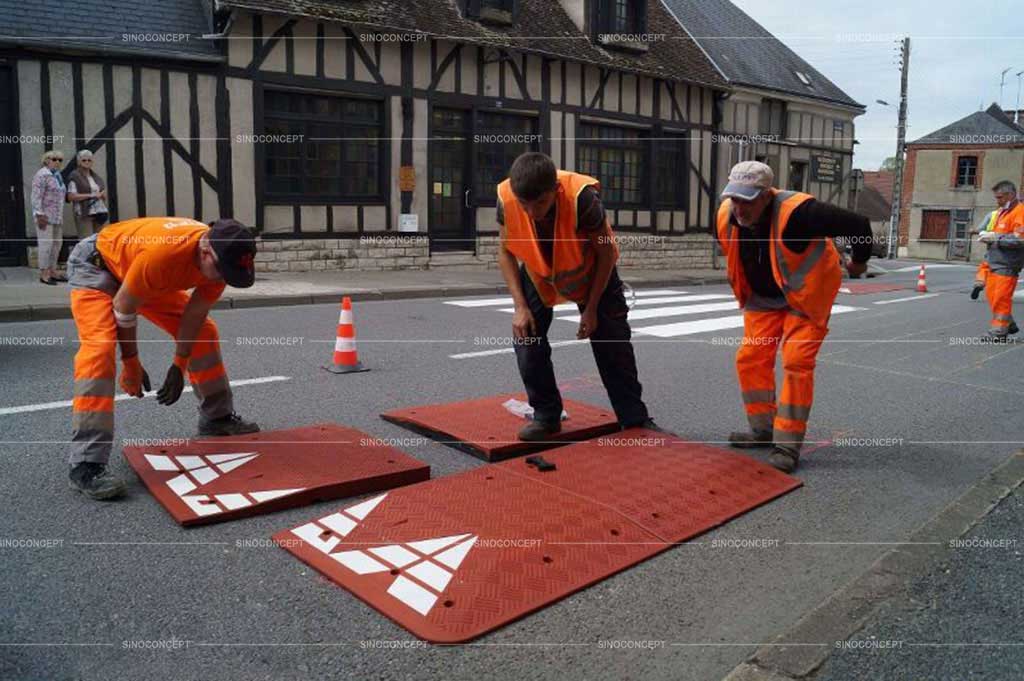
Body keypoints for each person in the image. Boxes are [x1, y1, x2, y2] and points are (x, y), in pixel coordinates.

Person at [66, 217, 261, 500]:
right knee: (99, 349)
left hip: (139, 271)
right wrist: (131, 364)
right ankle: (86, 463)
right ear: (205, 250)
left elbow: (194, 316)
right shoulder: (166, 255)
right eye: (221, 272)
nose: (221, 280)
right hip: (98, 265)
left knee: (205, 332)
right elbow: (124, 305)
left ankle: (217, 418)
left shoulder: (221, 262)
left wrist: (179, 364)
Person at [716, 161, 872, 473]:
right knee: (750, 357)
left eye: (747, 201)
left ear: (766, 196)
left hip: (805, 298)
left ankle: (787, 444)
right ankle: (762, 429)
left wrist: (858, 263)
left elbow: (860, 226)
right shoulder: (726, 215)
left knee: (795, 361)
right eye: (735, 198)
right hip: (764, 299)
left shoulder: (800, 213)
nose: (739, 208)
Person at [495, 152, 660, 441]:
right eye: (525, 205)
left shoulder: (582, 199)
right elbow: (505, 250)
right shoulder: (506, 197)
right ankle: (546, 416)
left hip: (593, 272)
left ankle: (634, 420)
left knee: (613, 343)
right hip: (540, 273)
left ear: (555, 191)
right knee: (526, 336)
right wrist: (519, 307)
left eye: (541, 203)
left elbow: (606, 252)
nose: (532, 212)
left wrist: (592, 308)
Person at [977, 181, 1024, 339]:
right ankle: (1009, 324)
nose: (997, 201)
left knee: (1000, 298)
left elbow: (1020, 239)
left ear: (1010, 195)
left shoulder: (1020, 212)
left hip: (1008, 264)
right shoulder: (1003, 212)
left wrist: (995, 238)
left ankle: (999, 331)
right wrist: (989, 237)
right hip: (995, 262)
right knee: (993, 297)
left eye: (1000, 197)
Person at [30, 150, 67, 285]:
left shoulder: (57, 176)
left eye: (60, 160)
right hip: (45, 216)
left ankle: (53, 270)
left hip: (57, 216)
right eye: (54, 159)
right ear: (46, 160)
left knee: (57, 244)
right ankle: (44, 273)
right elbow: (36, 196)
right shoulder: (42, 175)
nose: (57, 162)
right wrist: (39, 214)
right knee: (46, 244)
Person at [66, 149, 109, 237]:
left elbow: (101, 193)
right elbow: (71, 196)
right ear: (79, 162)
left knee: (99, 239)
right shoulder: (75, 176)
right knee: (86, 240)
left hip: (99, 212)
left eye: (89, 160)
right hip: (84, 212)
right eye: (84, 160)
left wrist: (102, 195)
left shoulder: (96, 177)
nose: (87, 162)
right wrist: (92, 195)